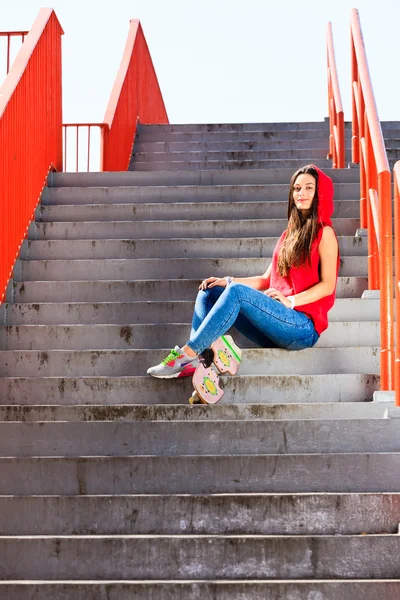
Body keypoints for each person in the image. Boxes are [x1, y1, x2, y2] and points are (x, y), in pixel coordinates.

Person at [147, 164, 339, 379]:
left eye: (308, 188)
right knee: (209, 291)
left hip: (301, 327)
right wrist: (226, 281)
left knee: (236, 291)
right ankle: (199, 360)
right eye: (296, 188)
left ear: (320, 193)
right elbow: (266, 279)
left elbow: (328, 285)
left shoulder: (325, 233)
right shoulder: (288, 235)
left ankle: (186, 355)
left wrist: (291, 301)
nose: (301, 193)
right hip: (273, 324)